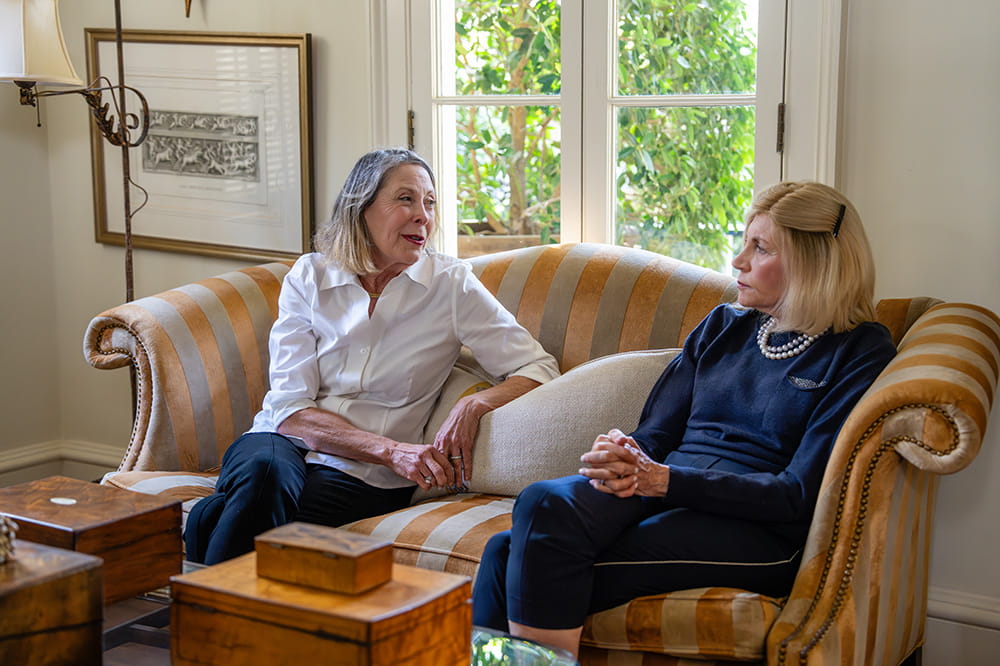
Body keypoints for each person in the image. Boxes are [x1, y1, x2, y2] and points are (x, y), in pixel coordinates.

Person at [471, 181, 897, 657]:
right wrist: (626, 454)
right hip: (663, 490)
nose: (738, 260)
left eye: (760, 248)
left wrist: (663, 481)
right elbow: (656, 432)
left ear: (814, 262)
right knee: (540, 504)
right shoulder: (723, 325)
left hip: (756, 527)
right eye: (745, 242)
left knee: (509, 555)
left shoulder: (860, 350)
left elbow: (796, 494)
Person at [185, 148, 559, 565]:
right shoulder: (310, 275)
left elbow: (537, 366)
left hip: (368, 477)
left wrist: (474, 404)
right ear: (361, 207)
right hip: (279, 442)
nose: (423, 216)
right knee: (263, 477)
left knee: (266, 521)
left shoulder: (451, 286)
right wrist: (392, 451)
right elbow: (290, 409)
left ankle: (206, 542)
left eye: (430, 202)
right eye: (405, 199)